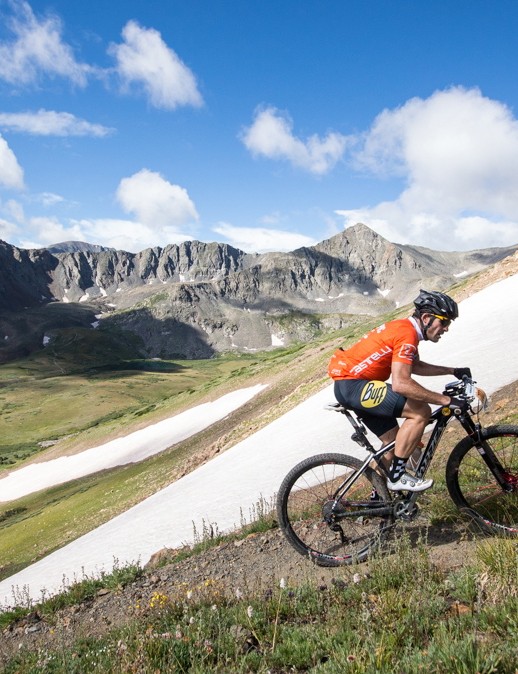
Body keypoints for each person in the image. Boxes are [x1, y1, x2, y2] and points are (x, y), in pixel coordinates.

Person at [328, 289, 471, 492]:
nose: (446, 329)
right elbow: (401, 383)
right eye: (444, 322)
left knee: (393, 444)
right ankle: (397, 477)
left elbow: (415, 366)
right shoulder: (407, 334)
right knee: (420, 411)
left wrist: (452, 371)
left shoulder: (406, 330)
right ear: (427, 318)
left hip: (350, 387)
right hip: (354, 386)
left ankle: (379, 500)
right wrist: (445, 401)